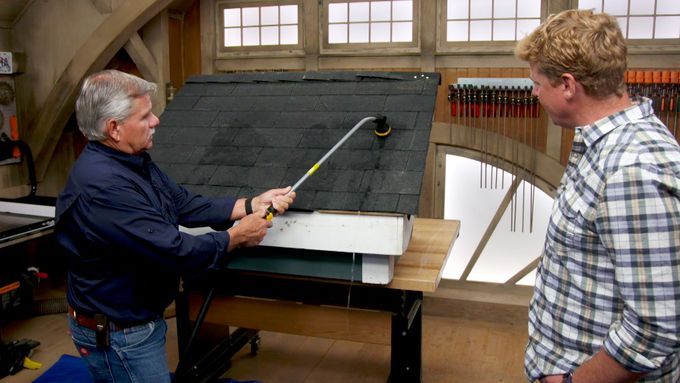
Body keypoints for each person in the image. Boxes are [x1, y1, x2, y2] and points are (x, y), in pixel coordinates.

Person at [55, 69, 295, 382]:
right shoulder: (105, 186)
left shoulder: (131, 161)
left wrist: (250, 205)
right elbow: (174, 250)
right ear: (114, 128)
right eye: (145, 116)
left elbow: (181, 202)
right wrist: (237, 236)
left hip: (133, 323)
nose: (155, 121)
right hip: (121, 336)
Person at [515, 9, 680, 383]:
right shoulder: (602, 145)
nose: (535, 93)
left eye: (538, 83)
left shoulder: (632, 171)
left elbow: (654, 329)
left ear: (569, 85)